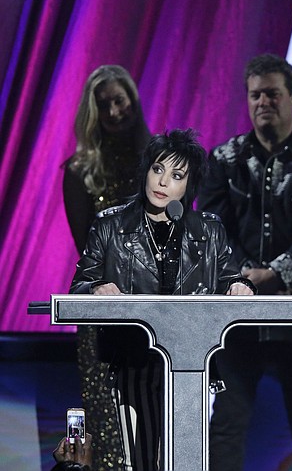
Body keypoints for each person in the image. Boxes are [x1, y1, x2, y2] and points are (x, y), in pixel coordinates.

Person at [70, 129, 254, 471]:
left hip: (191, 364)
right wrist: (97, 289)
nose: (163, 181)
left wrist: (241, 287)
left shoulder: (208, 230)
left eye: (177, 175)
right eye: (158, 169)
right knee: (139, 463)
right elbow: (79, 287)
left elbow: (231, 279)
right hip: (133, 362)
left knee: (185, 462)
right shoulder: (110, 225)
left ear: (189, 185)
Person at [199, 53, 292, 471]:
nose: (263, 102)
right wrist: (246, 274)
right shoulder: (223, 159)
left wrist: (276, 272)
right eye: (255, 95)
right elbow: (212, 229)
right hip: (237, 312)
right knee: (228, 420)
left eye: (273, 94)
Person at [62, 65, 152, 471]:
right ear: (92, 114)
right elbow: (87, 248)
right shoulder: (80, 170)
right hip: (104, 306)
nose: (115, 111)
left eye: (120, 100)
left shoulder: (159, 162)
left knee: (153, 422)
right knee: (110, 427)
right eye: (104, 105)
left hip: (157, 307)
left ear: (132, 100)